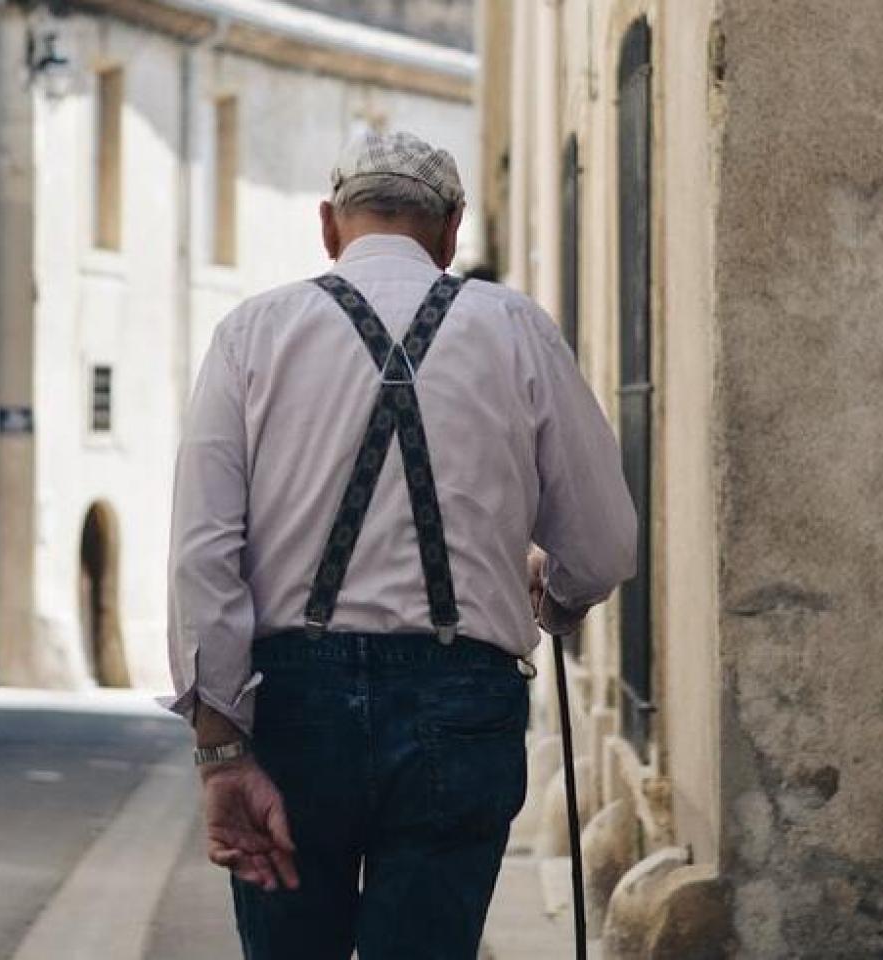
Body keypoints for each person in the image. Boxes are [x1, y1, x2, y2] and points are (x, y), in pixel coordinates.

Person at [164, 129, 636, 959]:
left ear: (328, 225)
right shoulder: (516, 327)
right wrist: (553, 600)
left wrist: (222, 748)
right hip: (461, 707)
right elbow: (600, 547)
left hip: (293, 706)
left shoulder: (252, 334)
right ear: (452, 229)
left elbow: (203, 555)